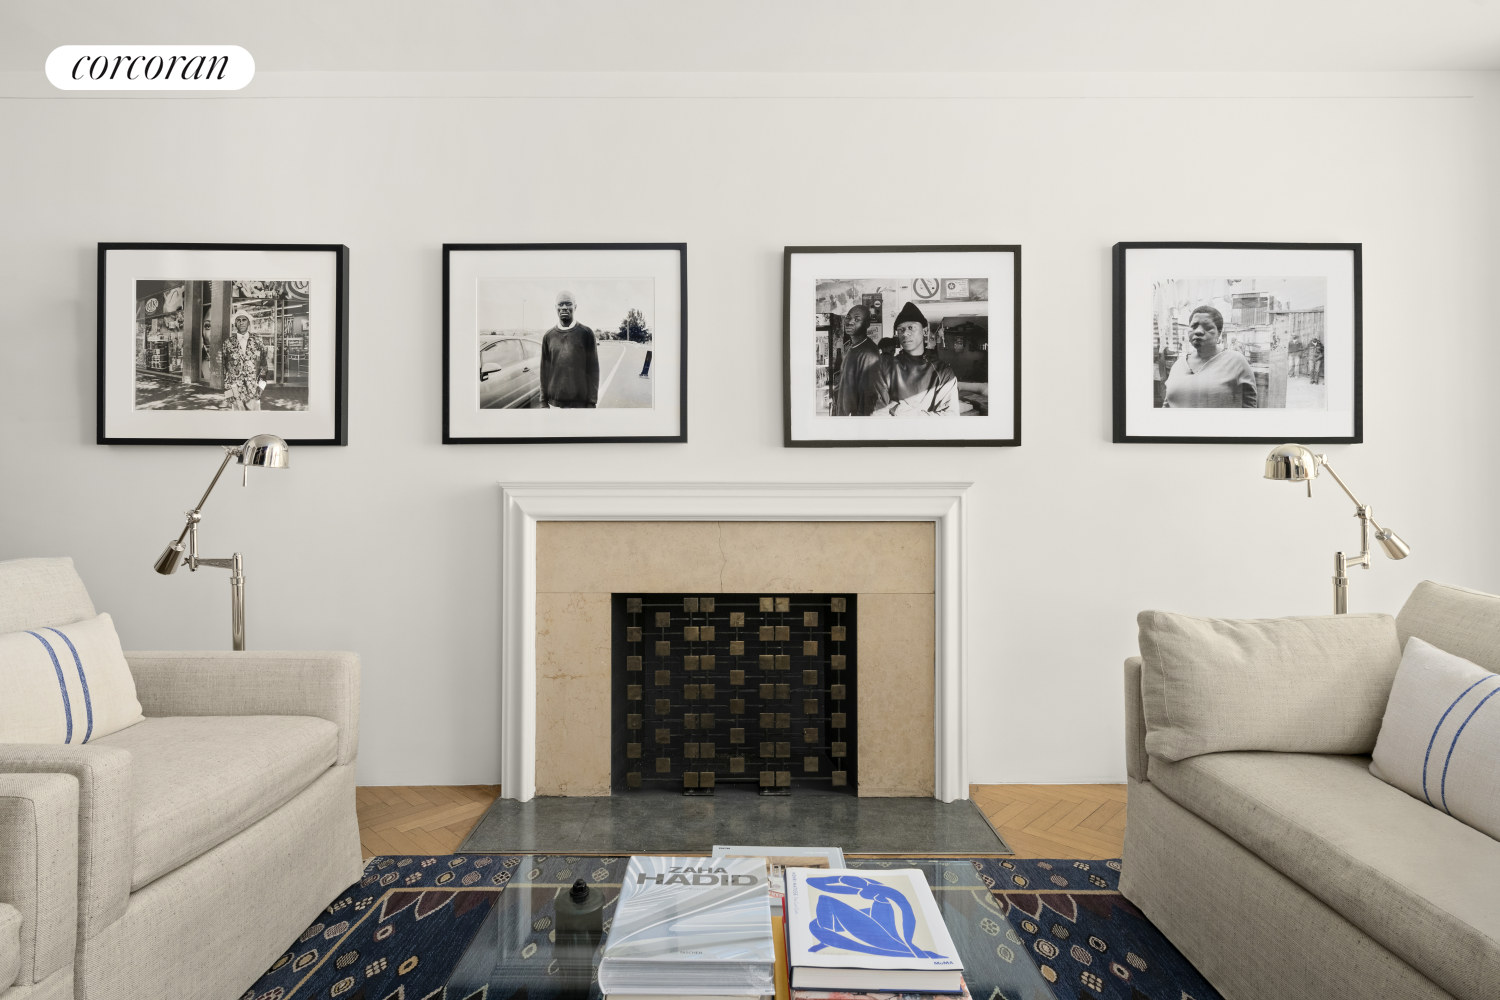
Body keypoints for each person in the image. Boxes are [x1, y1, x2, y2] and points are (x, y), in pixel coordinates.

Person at [870, 301, 959, 417]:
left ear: (925, 331)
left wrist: (898, 410)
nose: (905, 333)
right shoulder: (885, 368)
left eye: (911, 328)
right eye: (901, 330)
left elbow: (950, 417)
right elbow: (877, 413)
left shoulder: (942, 371)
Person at [1161, 305, 1257, 408]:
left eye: (1207, 327)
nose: (1198, 331)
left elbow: (1250, 405)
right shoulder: (1178, 365)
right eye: (1194, 326)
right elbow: (1167, 404)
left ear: (1218, 333)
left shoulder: (1235, 361)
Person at [539, 289, 599, 408]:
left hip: (580, 405)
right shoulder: (548, 336)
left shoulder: (586, 333)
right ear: (556, 307)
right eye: (561, 304)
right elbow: (544, 372)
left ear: (575, 307)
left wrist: (592, 402)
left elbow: (593, 370)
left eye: (568, 304)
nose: (564, 307)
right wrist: (543, 402)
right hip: (554, 404)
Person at [832, 304, 884, 416]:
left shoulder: (868, 352)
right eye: (848, 317)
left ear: (867, 324)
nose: (850, 322)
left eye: (857, 319)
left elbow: (867, 398)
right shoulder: (853, 347)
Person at [220, 312, 268, 411]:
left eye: (244, 320)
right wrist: (228, 392)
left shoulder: (258, 341)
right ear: (235, 324)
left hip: (254, 390)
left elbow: (264, 366)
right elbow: (224, 369)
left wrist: (261, 388)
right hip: (236, 391)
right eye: (238, 320)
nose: (241, 323)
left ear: (248, 323)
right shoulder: (228, 343)